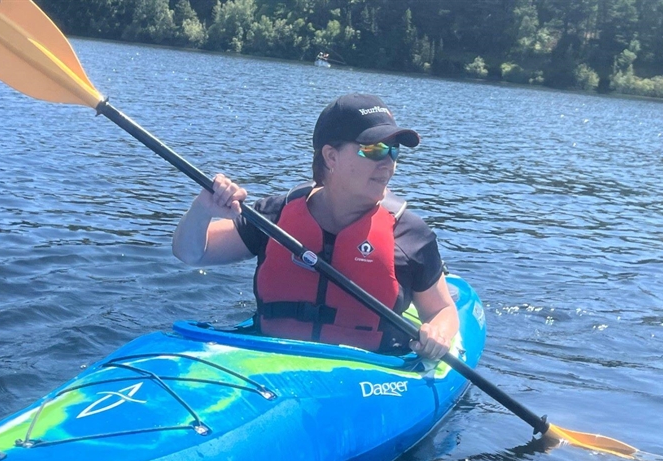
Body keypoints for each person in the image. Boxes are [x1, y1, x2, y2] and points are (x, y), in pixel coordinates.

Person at [172, 93, 459, 360]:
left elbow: (443, 310)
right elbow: (192, 253)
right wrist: (202, 210)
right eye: (373, 149)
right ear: (330, 156)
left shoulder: (410, 235)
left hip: (364, 375)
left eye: (393, 151)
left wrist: (438, 333)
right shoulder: (276, 216)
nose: (388, 163)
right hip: (269, 362)